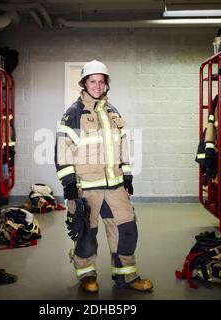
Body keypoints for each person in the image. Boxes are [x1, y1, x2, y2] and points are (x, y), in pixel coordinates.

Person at [54, 60, 153, 293]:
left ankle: (126, 277)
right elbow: (62, 151)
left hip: (116, 186)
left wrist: (127, 176)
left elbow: (123, 147)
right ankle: (86, 275)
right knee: (87, 233)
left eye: (101, 81)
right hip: (86, 188)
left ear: (106, 83)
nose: (97, 86)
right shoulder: (73, 114)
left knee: (127, 230)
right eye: (92, 81)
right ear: (84, 83)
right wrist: (68, 185)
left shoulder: (113, 112)